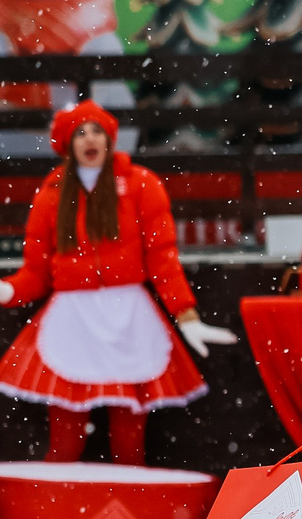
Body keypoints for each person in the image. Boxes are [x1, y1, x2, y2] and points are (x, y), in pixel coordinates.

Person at [0, 100, 235, 459]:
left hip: (128, 319)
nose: (89, 139)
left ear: (110, 140)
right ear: (66, 144)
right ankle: (59, 507)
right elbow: (36, 274)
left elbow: (163, 258)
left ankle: (130, 504)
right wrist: (7, 290)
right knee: (65, 436)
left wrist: (187, 316)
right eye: (80, 132)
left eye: (97, 131)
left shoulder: (142, 185)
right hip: (73, 321)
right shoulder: (51, 195)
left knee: (129, 437)